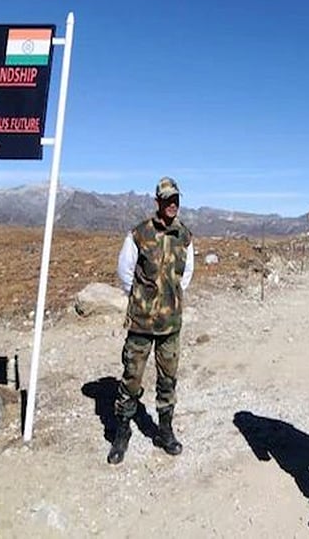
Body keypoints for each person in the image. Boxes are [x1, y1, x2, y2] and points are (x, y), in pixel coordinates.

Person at [107, 176, 195, 465]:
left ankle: (165, 431)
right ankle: (122, 432)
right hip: (141, 323)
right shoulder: (139, 234)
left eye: (176, 200)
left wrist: (170, 300)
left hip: (171, 324)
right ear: (158, 201)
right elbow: (125, 272)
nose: (172, 205)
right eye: (167, 200)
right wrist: (141, 302)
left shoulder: (185, 236)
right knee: (132, 377)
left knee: (168, 379)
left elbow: (186, 276)